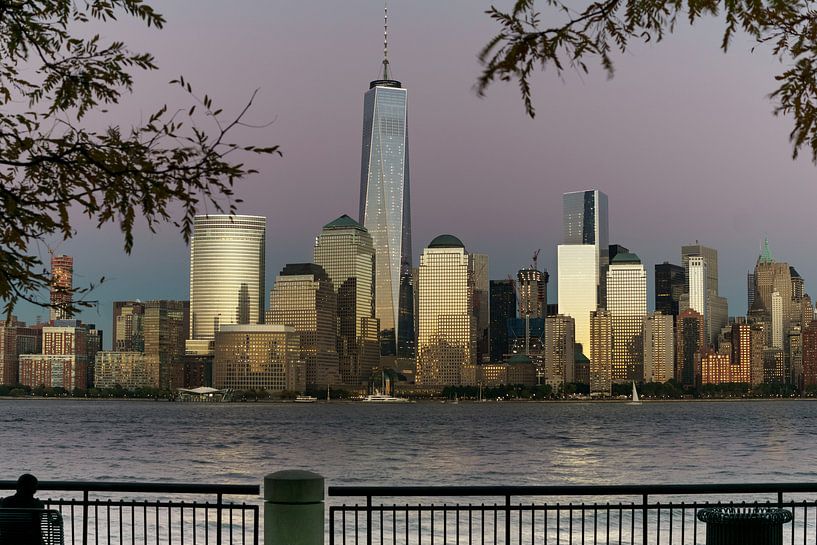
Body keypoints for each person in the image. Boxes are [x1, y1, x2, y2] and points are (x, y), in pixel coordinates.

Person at [0, 474, 45, 545]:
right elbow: (37, 530)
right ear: (34, 490)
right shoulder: (38, 505)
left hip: (8, 542)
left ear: (17, 487)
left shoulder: (6, 502)